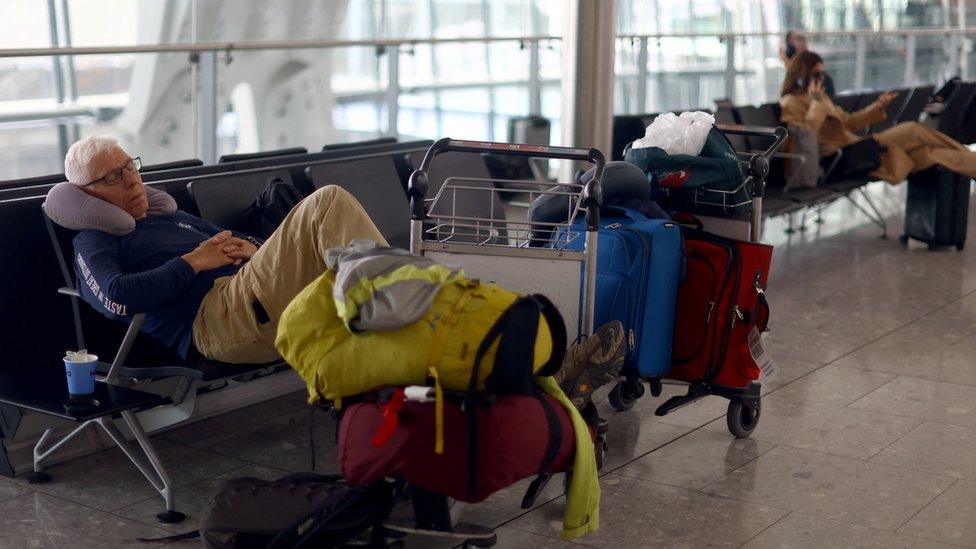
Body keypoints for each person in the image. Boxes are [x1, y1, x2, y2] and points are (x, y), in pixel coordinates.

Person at [66, 136, 388, 365]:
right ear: (87, 193)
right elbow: (117, 294)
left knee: (331, 226)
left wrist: (254, 248)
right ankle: (396, 303)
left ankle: (394, 305)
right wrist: (193, 262)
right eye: (113, 177)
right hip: (219, 319)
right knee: (326, 201)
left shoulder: (170, 216)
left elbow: (236, 239)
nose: (132, 181)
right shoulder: (94, 240)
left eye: (130, 167)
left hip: (251, 292)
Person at [779, 51, 976, 183]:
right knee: (913, 130)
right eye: (816, 75)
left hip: (859, 149)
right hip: (841, 158)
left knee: (929, 153)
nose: (822, 79)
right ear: (800, 75)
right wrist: (816, 106)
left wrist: (877, 106)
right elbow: (803, 135)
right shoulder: (791, 101)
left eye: (822, 74)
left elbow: (849, 121)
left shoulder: (820, 98)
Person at [781, 31, 835, 96]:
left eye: (781, 51)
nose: (781, 58)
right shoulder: (821, 76)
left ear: (790, 52)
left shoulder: (811, 80)